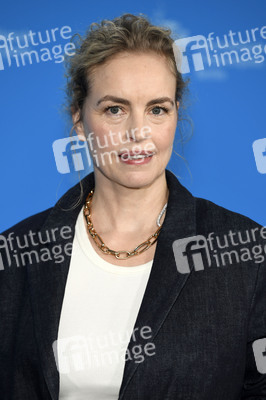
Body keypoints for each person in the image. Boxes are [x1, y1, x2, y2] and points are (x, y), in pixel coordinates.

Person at [0, 13, 265, 400]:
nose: (138, 132)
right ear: (78, 120)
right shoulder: (15, 254)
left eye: (157, 109)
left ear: (175, 115)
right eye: (114, 109)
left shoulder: (246, 254)